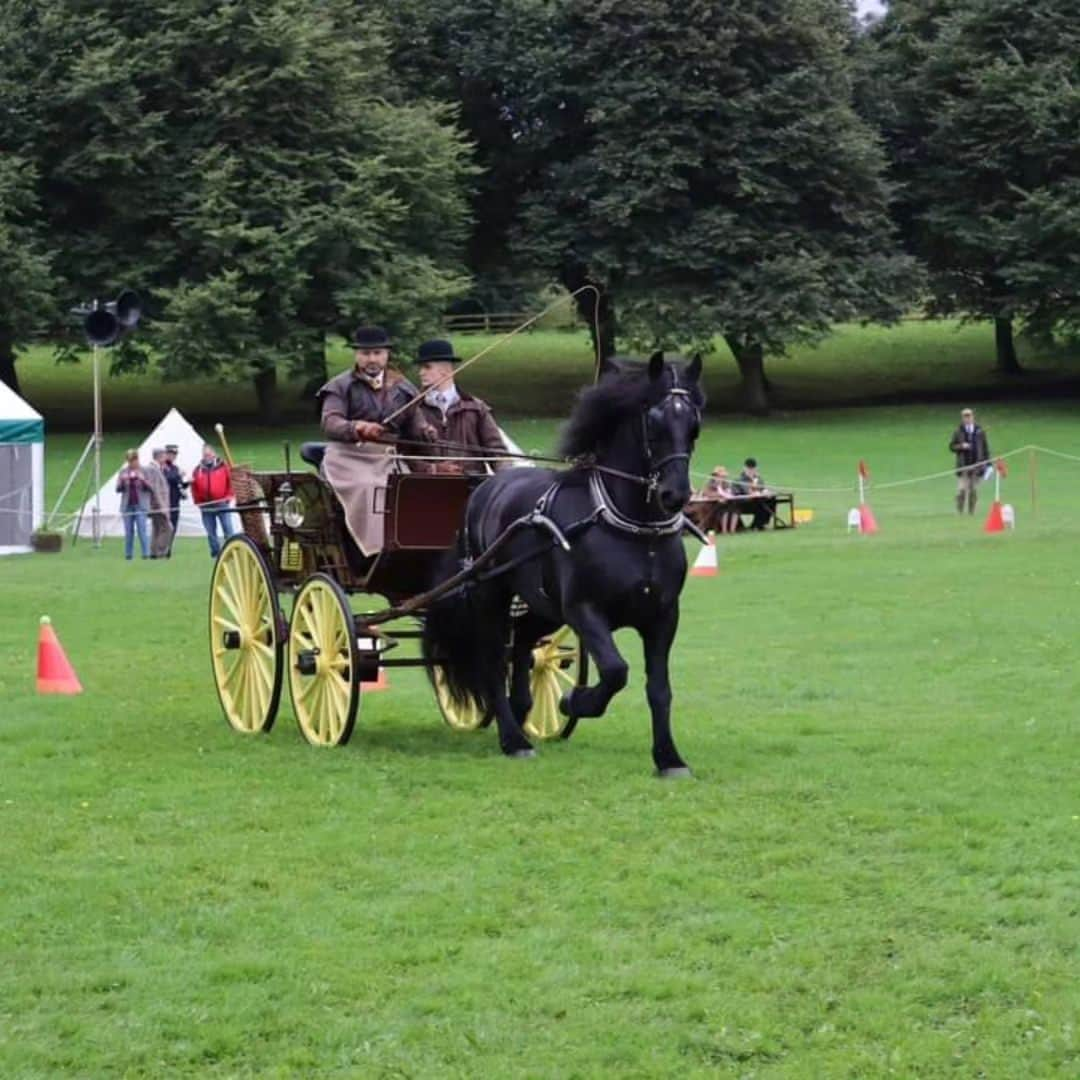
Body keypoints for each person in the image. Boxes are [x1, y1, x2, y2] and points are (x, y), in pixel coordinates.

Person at [316, 325, 435, 556]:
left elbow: (416, 426)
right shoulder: (340, 386)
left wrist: (426, 432)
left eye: (377, 353)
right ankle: (375, 550)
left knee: (415, 488)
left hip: (388, 458)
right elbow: (330, 422)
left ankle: (417, 548)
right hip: (347, 457)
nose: (372, 359)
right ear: (356, 355)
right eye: (365, 353)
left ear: (387, 354)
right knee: (370, 488)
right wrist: (357, 427)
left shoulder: (404, 388)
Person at [413, 338, 508, 475]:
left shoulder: (476, 408)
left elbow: (498, 453)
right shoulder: (413, 409)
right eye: (420, 367)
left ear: (446, 370)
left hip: (471, 487)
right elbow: (404, 455)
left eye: (427, 367)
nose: (421, 372)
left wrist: (505, 481)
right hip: (428, 487)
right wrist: (433, 469)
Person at [191, 443, 238, 558]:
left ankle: (231, 551)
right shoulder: (198, 470)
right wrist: (198, 502)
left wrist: (229, 496)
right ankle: (215, 553)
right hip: (206, 505)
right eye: (205, 454)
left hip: (222, 503)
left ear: (214, 454)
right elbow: (194, 487)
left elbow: (231, 481)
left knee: (228, 528)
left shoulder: (223, 466)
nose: (207, 456)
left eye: (209, 453)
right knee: (211, 532)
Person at [949, 407, 990, 514]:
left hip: (977, 465)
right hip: (963, 466)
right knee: (962, 490)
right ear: (962, 418)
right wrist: (961, 446)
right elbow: (952, 447)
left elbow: (985, 448)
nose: (967, 418)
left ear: (973, 417)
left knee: (973, 490)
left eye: (969, 416)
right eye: (965, 416)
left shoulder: (979, 431)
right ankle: (960, 512)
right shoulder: (958, 431)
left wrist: (988, 463)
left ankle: (972, 512)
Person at [115, 449, 151, 560]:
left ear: (137, 459)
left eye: (133, 460)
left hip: (140, 505)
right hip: (127, 506)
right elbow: (118, 489)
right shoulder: (123, 472)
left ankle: (146, 553)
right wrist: (122, 482)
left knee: (142, 530)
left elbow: (151, 487)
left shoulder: (145, 471)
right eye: (129, 461)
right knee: (128, 531)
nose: (131, 463)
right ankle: (128, 554)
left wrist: (142, 480)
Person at [688, 465, 738, 534]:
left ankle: (732, 530)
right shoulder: (710, 483)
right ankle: (722, 530)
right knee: (718, 509)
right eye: (721, 476)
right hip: (707, 505)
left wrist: (724, 495)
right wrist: (719, 496)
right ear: (716, 476)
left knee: (733, 508)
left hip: (722, 503)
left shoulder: (726, 483)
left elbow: (730, 492)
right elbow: (707, 493)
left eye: (723, 477)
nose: (722, 478)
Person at [144, 448, 174, 558]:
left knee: (157, 528)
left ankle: (153, 552)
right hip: (157, 505)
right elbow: (155, 489)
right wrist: (163, 507)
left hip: (156, 505)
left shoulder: (157, 469)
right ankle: (160, 551)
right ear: (160, 456)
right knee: (167, 528)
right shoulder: (152, 469)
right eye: (164, 456)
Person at [733, 457, 776, 531]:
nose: (751, 471)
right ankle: (753, 525)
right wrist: (757, 491)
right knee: (761, 503)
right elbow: (747, 492)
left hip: (756, 502)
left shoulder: (758, 478)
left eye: (753, 469)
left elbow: (762, 488)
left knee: (771, 499)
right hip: (743, 504)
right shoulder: (739, 480)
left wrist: (766, 492)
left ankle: (759, 524)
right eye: (749, 469)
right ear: (744, 468)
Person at [161, 443, 188, 551]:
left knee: (173, 527)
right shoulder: (162, 467)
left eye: (174, 454)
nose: (173, 456)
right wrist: (178, 476)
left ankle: (168, 548)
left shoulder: (176, 468)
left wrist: (187, 483)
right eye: (171, 453)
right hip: (164, 502)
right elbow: (166, 479)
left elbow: (178, 484)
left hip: (175, 501)